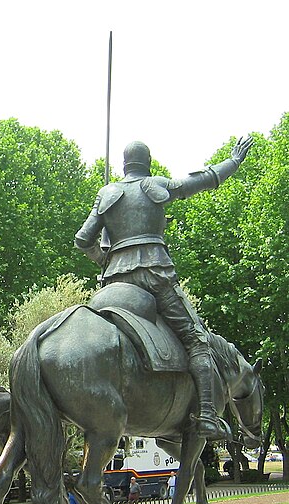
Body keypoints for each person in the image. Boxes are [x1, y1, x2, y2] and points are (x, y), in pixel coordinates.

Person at [75, 137, 253, 440]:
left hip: (115, 281)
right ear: (148, 163)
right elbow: (206, 179)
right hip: (155, 275)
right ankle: (207, 415)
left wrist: (104, 259)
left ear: (123, 165)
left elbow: (82, 239)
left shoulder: (107, 193)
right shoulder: (155, 185)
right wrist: (234, 161)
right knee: (197, 339)